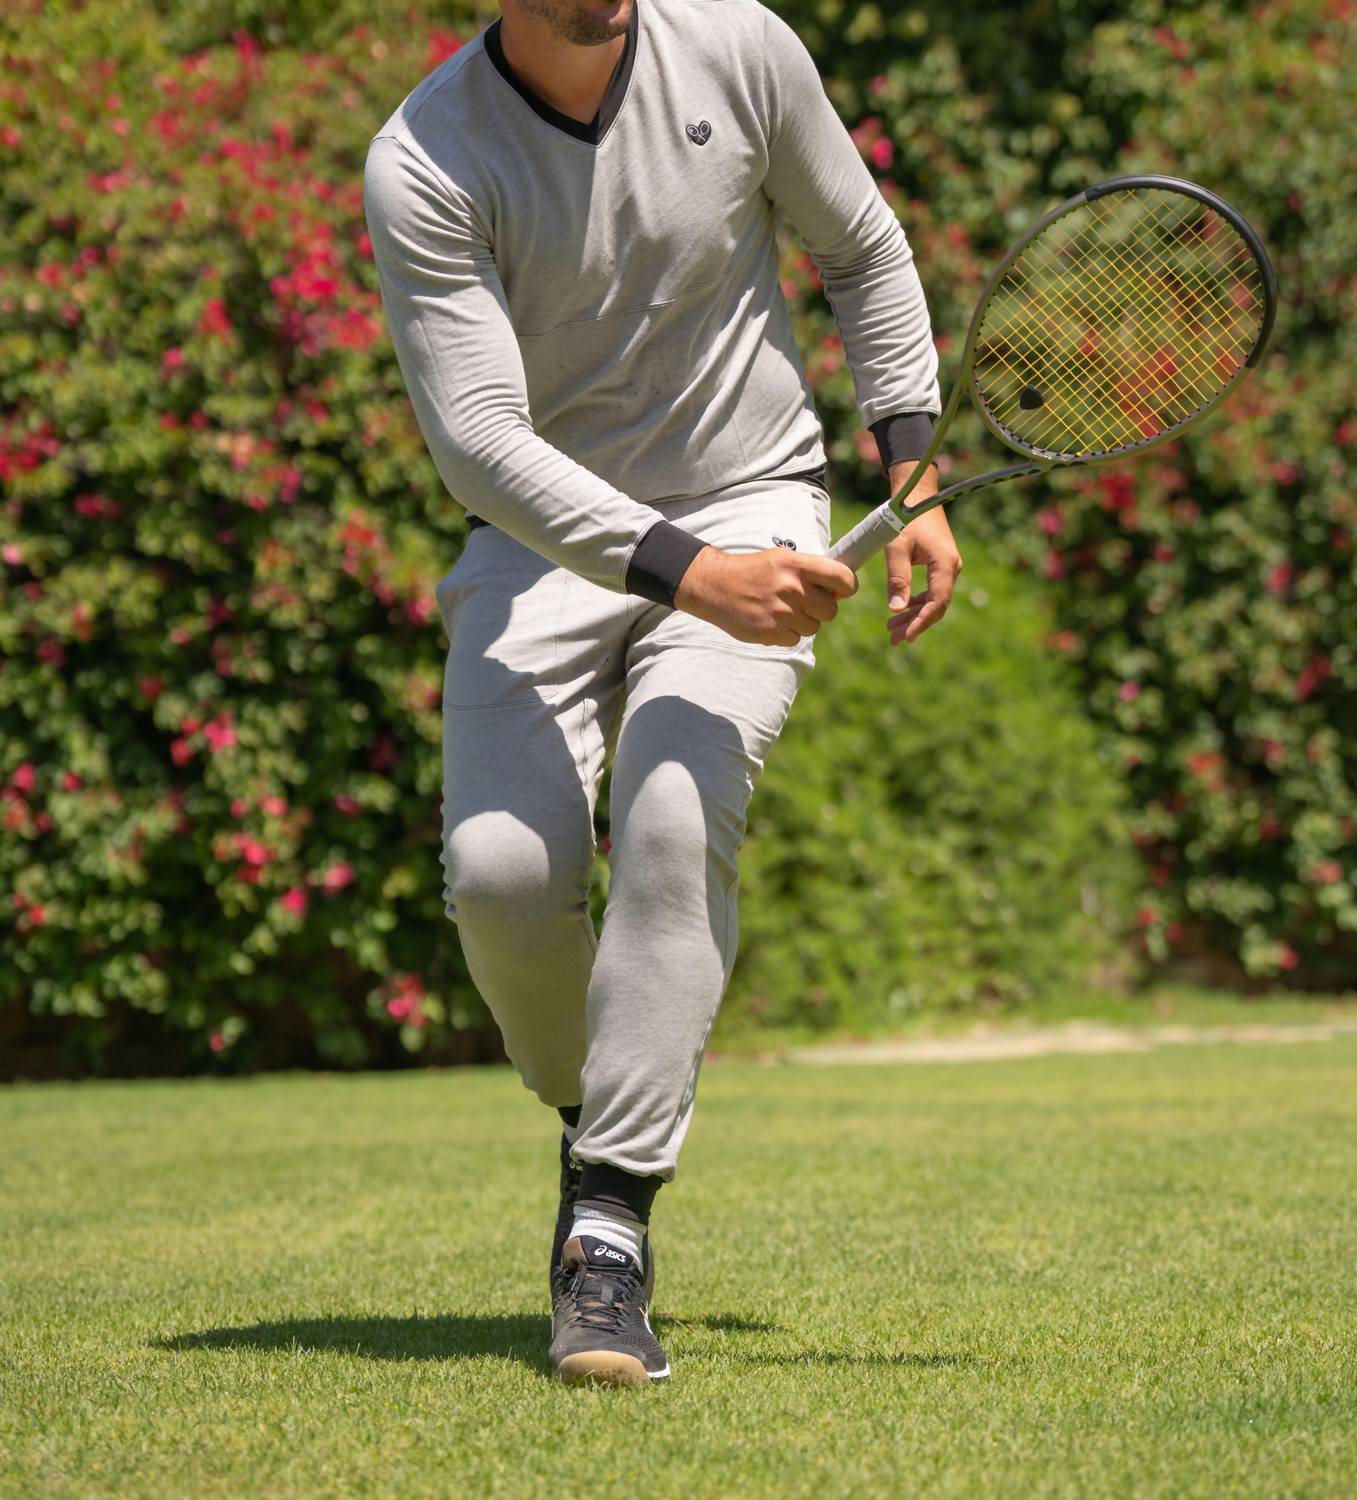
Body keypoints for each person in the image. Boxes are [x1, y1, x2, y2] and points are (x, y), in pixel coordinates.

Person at [363, 0, 962, 1387]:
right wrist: (693, 576)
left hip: (752, 498)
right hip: (542, 540)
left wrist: (915, 472)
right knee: (500, 877)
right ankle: (600, 1112)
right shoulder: (427, 158)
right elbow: (478, 442)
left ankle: (607, 1228)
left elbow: (862, 250)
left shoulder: (739, 46)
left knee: (675, 819)